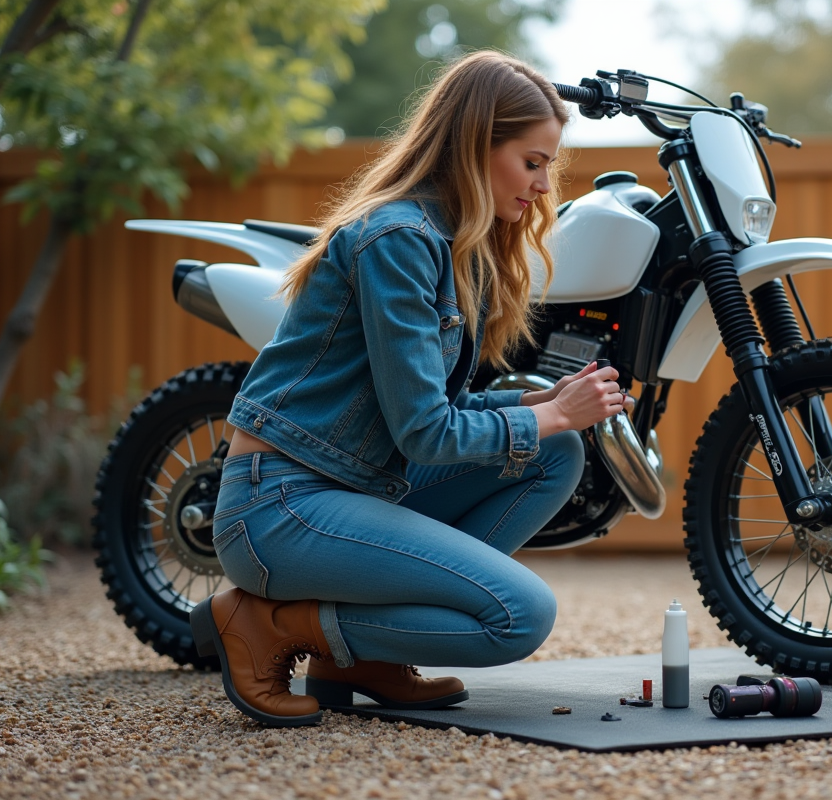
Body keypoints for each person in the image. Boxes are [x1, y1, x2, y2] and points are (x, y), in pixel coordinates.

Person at [189, 51, 630, 728]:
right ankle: (268, 623)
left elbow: (435, 413)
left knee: (555, 453)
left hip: (352, 484)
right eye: (532, 161)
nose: (544, 186)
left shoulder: (456, 243)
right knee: (518, 616)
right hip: (280, 506)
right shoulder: (397, 239)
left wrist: (537, 407)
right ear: (475, 146)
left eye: (549, 166)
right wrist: (551, 415)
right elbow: (426, 433)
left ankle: (358, 660)